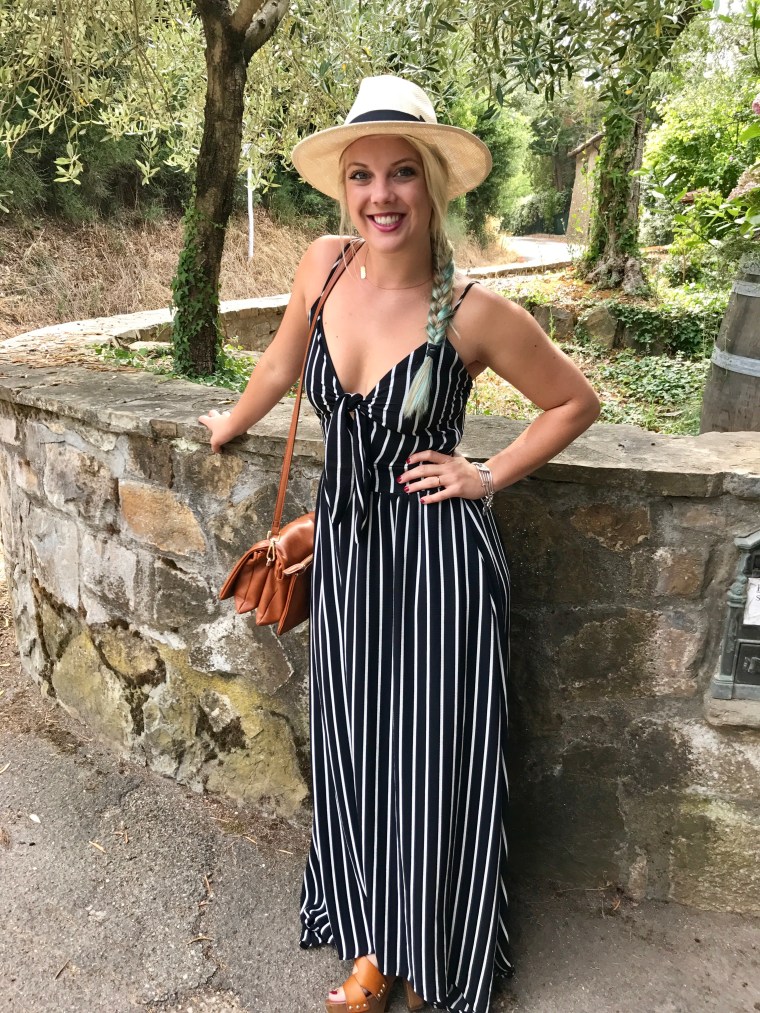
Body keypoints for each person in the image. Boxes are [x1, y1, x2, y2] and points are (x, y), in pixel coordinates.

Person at [199, 76, 600, 1013]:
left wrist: (485, 474)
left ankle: (423, 953)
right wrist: (229, 422)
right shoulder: (322, 266)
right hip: (347, 558)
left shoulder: (473, 311)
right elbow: (281, 360)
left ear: (434, 185)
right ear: (345, 187)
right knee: (355, 751)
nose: (381, 195)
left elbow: (574, 402)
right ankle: (377, 942)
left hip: (437, 567)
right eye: (363, 175)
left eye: (403, 173)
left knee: (429, 761)